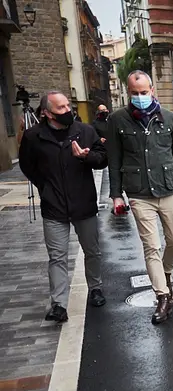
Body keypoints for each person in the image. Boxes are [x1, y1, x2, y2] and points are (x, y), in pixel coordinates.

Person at [106, 70, 173, 325]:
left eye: (144, 92)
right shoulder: (117, 120)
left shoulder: (170, 118)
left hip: (170, 189)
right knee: (151, 246)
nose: (140, 97)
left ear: (152, 90)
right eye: (134, 93)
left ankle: (165, 272)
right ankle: (162, 295)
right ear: (128, 91)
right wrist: (116, 195)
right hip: (139, 193)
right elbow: (114, 160)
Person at [19, 91, 108, 323]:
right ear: (46, 113)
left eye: (68, 105)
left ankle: (96, 288)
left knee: (92, 250)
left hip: (83, 203)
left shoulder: (85, 131)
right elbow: (28, 167)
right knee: (57, 257)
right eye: (61, 108)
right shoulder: (33, 137)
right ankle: (58, 304)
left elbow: (102, 158)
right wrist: (45, 187)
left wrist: (86, 157)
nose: (67, 110)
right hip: (54, 207)